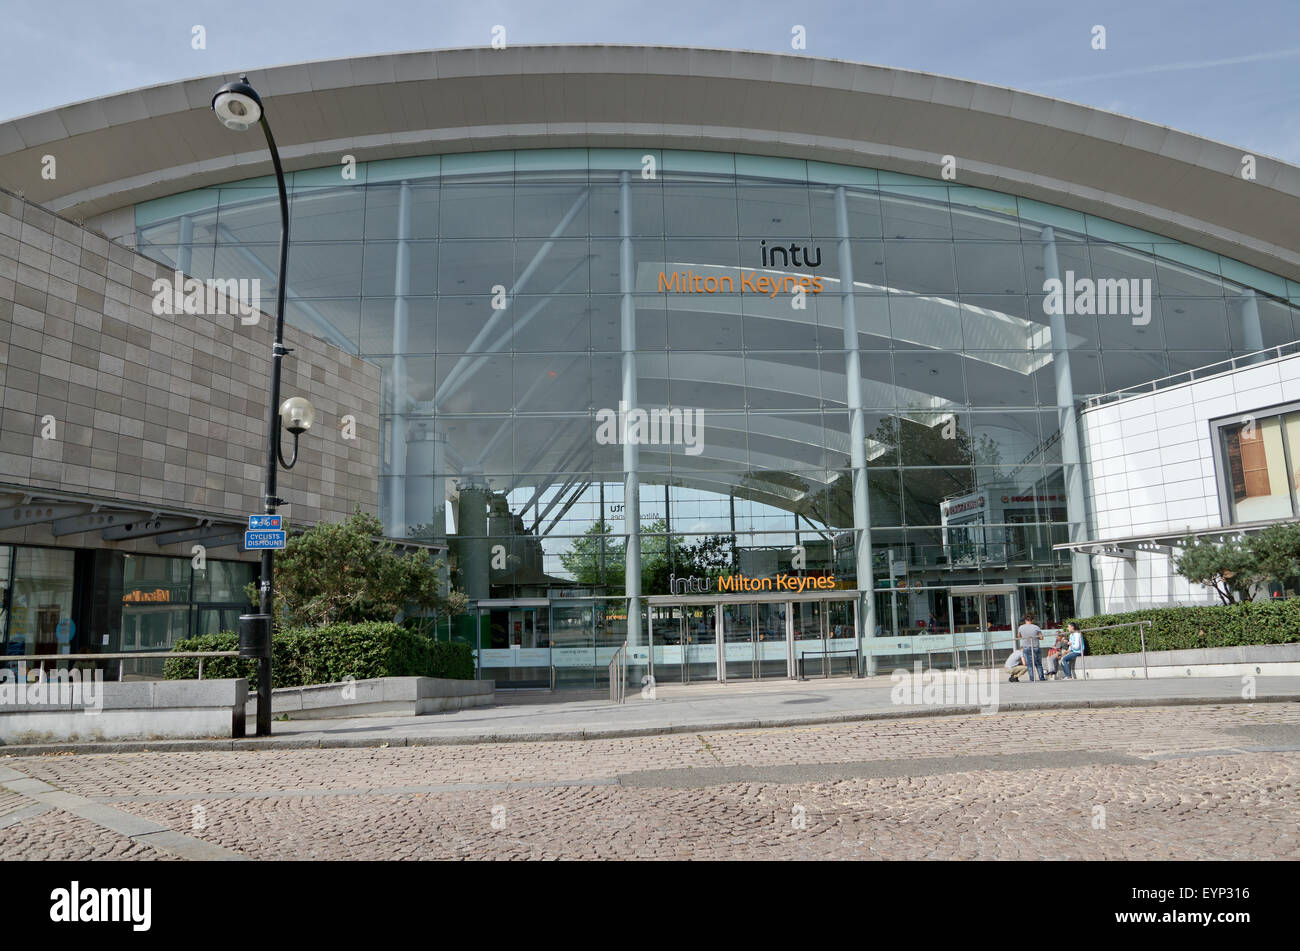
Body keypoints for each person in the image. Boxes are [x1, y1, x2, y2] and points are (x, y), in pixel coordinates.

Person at [1018, 613, 1044, 681]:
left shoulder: (1021, 627)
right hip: (1035, 647)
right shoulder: (1036, 627)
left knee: (1029, 665)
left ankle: (1032, 679)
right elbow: (1041, 637)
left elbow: (1019, 636)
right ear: (1032, 620)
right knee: (1038, 664)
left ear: (1025, 620)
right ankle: (1041, 678)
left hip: (1026, 647)